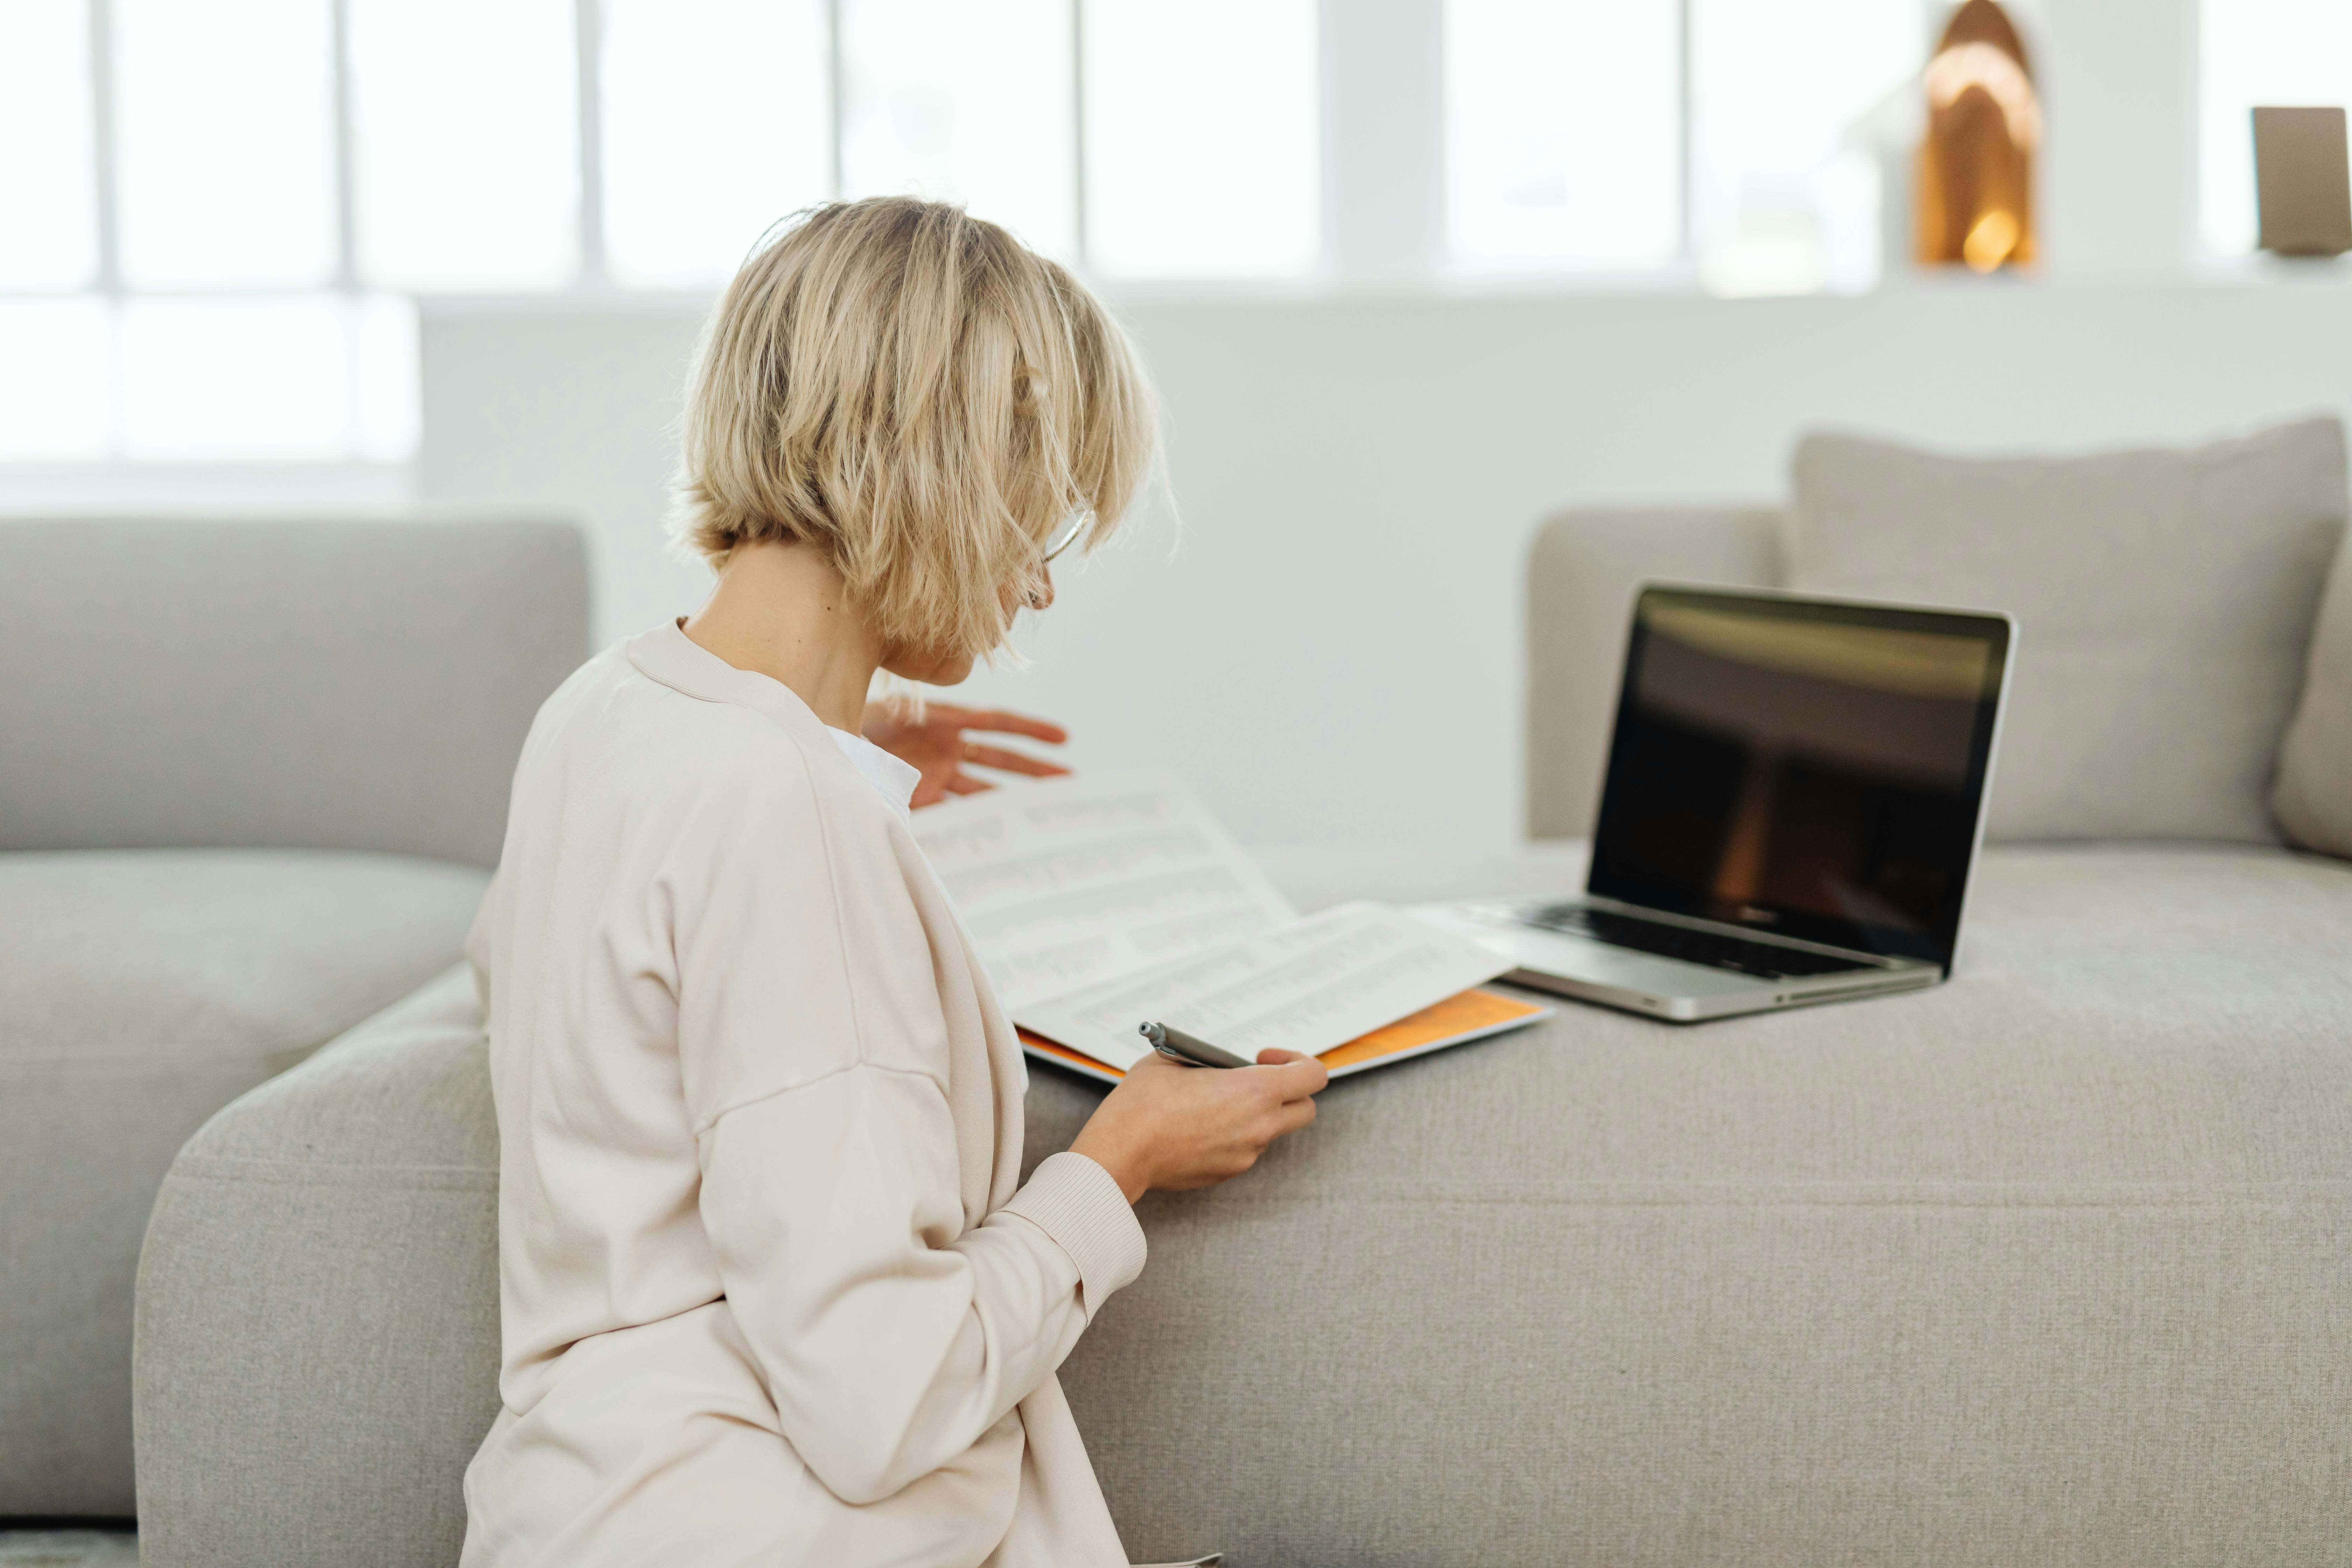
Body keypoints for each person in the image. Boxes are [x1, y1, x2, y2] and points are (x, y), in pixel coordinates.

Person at [458, 196, 1328, 1568]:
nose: (1035, 592)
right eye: (1034, 525)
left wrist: (839, 729)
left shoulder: (601, 710)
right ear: (935, 474)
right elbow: (882, 1395)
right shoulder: (780, 806)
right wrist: (1121, 1162)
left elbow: (578, 976)